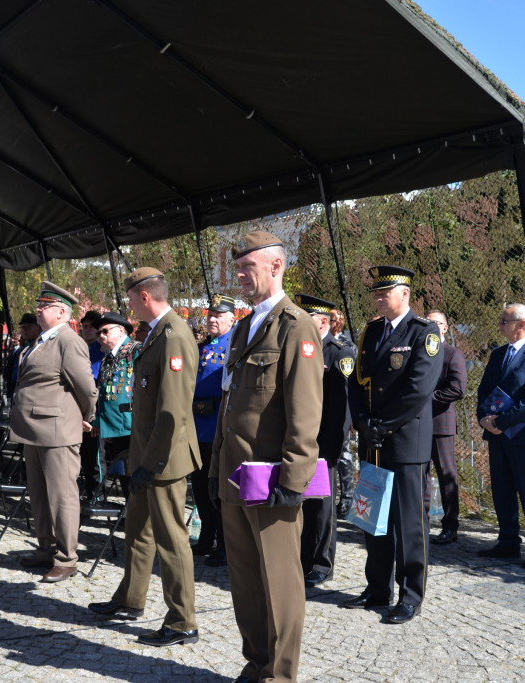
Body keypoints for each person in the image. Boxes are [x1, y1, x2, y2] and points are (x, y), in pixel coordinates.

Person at [209, 232, 323, 682]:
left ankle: (280, 674)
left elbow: (305, 411)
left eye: (247, 267)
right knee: (246, 580)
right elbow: (231, 402)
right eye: (236, 267)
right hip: (236, 474)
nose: (238, 275)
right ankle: (256, 664)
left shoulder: (296, 325)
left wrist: (294, 481)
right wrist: (219, 465)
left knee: (279, 581)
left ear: (276, 266)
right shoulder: (244, 325)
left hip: (274, 478)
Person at [89, 268, 201, 647]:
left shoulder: (174, 335)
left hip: (163, 462)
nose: (129, 304)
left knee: (171, 541)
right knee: (137, 532)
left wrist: (150, 465)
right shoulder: (154, 334)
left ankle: (182, 621)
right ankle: (130, 598)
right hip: (145, 456)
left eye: (131, 298)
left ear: (145, 297)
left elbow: (172, 413)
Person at [344, 266, 442, 625]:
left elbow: (418, 389)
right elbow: (356, 381)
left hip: (403, 441)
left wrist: (383, 425)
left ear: (405, 293)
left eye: (385, 291)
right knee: (373, 519)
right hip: (374, 440)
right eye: (376, 292)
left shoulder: (424, 333)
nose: (378, 297)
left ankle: (410, 596)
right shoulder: (371, 331)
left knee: (409, 524)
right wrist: (361, 421)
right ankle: (377, 588)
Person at [11, 282, 97, 583]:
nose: (38, 310)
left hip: (58, 430)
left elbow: (86, 387)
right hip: (34, 429)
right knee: (39, 495)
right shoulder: (42, 340)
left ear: (61, 312)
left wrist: (85, 417)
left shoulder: (68, 340)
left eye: (44, 307)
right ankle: (46, 547)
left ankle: (67, 558)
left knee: (62, 497)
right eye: (39, 306)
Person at [476, 303, 525, 570]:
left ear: (521, 324)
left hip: (523, 435)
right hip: (497, 434)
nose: (499, 325)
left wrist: (502, 422)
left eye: (504, 321)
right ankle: (508, 541)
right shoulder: (498, 354)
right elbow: (484, 389)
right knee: (502, 490)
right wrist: (484, 419)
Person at [297, 294, 353, 587]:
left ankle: (321, 563)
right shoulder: (299, 349)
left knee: (322, 508)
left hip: (323, 444)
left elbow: (341, 409)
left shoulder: (338, 352)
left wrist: (332, 448)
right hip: (298, 442)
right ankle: (303, 559)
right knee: (302, 504)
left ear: (322, 322)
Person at [189, 294, 236, 568]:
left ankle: (224, 542)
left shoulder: (234, 346)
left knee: (217, 488)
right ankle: (206, 537)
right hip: (198, 426)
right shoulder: (203, 347)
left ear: (232, 318)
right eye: (210, 315)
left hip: (218, 425)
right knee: (199, 486)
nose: (213, 320)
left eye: (218, 315)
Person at [425, 310, 468, 545]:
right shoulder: (419, 352)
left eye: (436, 323)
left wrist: (426, 398)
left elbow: (458, 389)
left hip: (441, 424)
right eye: (428, 322)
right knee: (421, 476)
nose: (431, 326)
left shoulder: (453, 354)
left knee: (446, 475)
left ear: (445, 328)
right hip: (418, 425)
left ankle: (450, 525)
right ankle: (421, 522)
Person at [91, 311, 141, 494]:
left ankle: (135, 517)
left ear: (121, 331)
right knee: (124, 474)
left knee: (134, 475)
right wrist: (99, 420)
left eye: (105, 331)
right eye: (98, 333)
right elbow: (104, 393)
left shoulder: (136, 350)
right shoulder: (108, 357)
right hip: (113, 425)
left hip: (131, 425)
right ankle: (129, 515)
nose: (101, 336)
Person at [330, 308, 358, 518]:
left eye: (331, 319)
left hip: (343, 408)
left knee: (344, 454)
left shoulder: (347, 347)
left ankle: (347, 498)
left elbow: (349, 384)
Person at [79, 310, 106, 502]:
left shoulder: (100, 351)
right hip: (78, 412)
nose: (86, 329)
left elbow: (96, 386)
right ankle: (88, 491)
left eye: (90, 326)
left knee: (95, 457)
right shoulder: (81, 348)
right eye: (84, 326)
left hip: (94, 412)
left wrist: (95, 417)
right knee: (83, 457)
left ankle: (97, 494)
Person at [3, 312, 40, 405]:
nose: (24, 330)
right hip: (15, 394)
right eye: (22, 327)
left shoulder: (39, 347)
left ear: (38, 328)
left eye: (28, 327)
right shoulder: (21, 349)